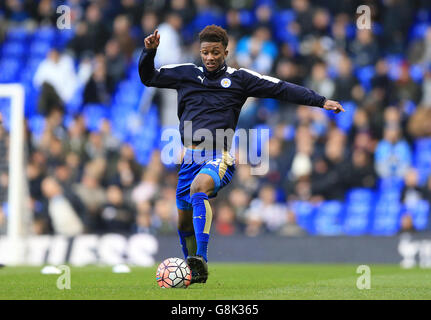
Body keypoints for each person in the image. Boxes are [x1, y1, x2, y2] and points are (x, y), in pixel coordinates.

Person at [138, 25, 344, 284]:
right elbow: (149, 77)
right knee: (183, 223)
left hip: (220, 154)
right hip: (189, 158)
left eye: (215, 52)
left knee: (199, 188)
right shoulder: (185, 74)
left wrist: (320, 100)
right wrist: (149, 53)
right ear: (200, 52)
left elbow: (279, 87)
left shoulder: (240, 79)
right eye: (205, 52)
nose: (210, 57)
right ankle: (194, 273)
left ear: (225, 51)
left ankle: (200, 258)